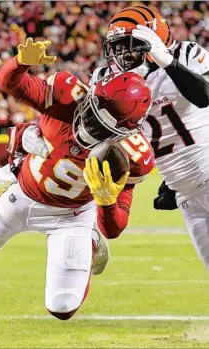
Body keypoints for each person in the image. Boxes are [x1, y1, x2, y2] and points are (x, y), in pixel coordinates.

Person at [0, 38, 154, 329]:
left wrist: (106, 200)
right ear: (92, 96)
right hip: (26, 193)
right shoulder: (67, 94)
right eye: (92, 114)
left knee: (62, 307)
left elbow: (114, 228)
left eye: (103, 127)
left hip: (73, 215)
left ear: (126, 131)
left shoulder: (134, 156)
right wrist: (21, 62)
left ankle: (88, 238)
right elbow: (10, 83)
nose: (89, 126)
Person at [92, 5, 209, 271]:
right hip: (185, 193)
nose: (121, 54)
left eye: (128, 44)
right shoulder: (115, 83)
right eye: (117, 47)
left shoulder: (186, 53)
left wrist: (166, 60)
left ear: (152, 40)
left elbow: (205, 95)